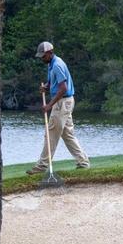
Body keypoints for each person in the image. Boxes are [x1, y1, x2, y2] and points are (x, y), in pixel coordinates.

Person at [28, 41, 90, 175]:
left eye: (43, 56)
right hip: (65, 102)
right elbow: (54, 82)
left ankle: (42, 166)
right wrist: (46, 86)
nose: (42, 58)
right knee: (68, 135)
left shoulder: (57, 65)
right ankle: (83, 162)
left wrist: (49, 105)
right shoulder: (51, 64)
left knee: (51, 133)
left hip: (63, 102)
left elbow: (63, 88)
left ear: (50, 53)